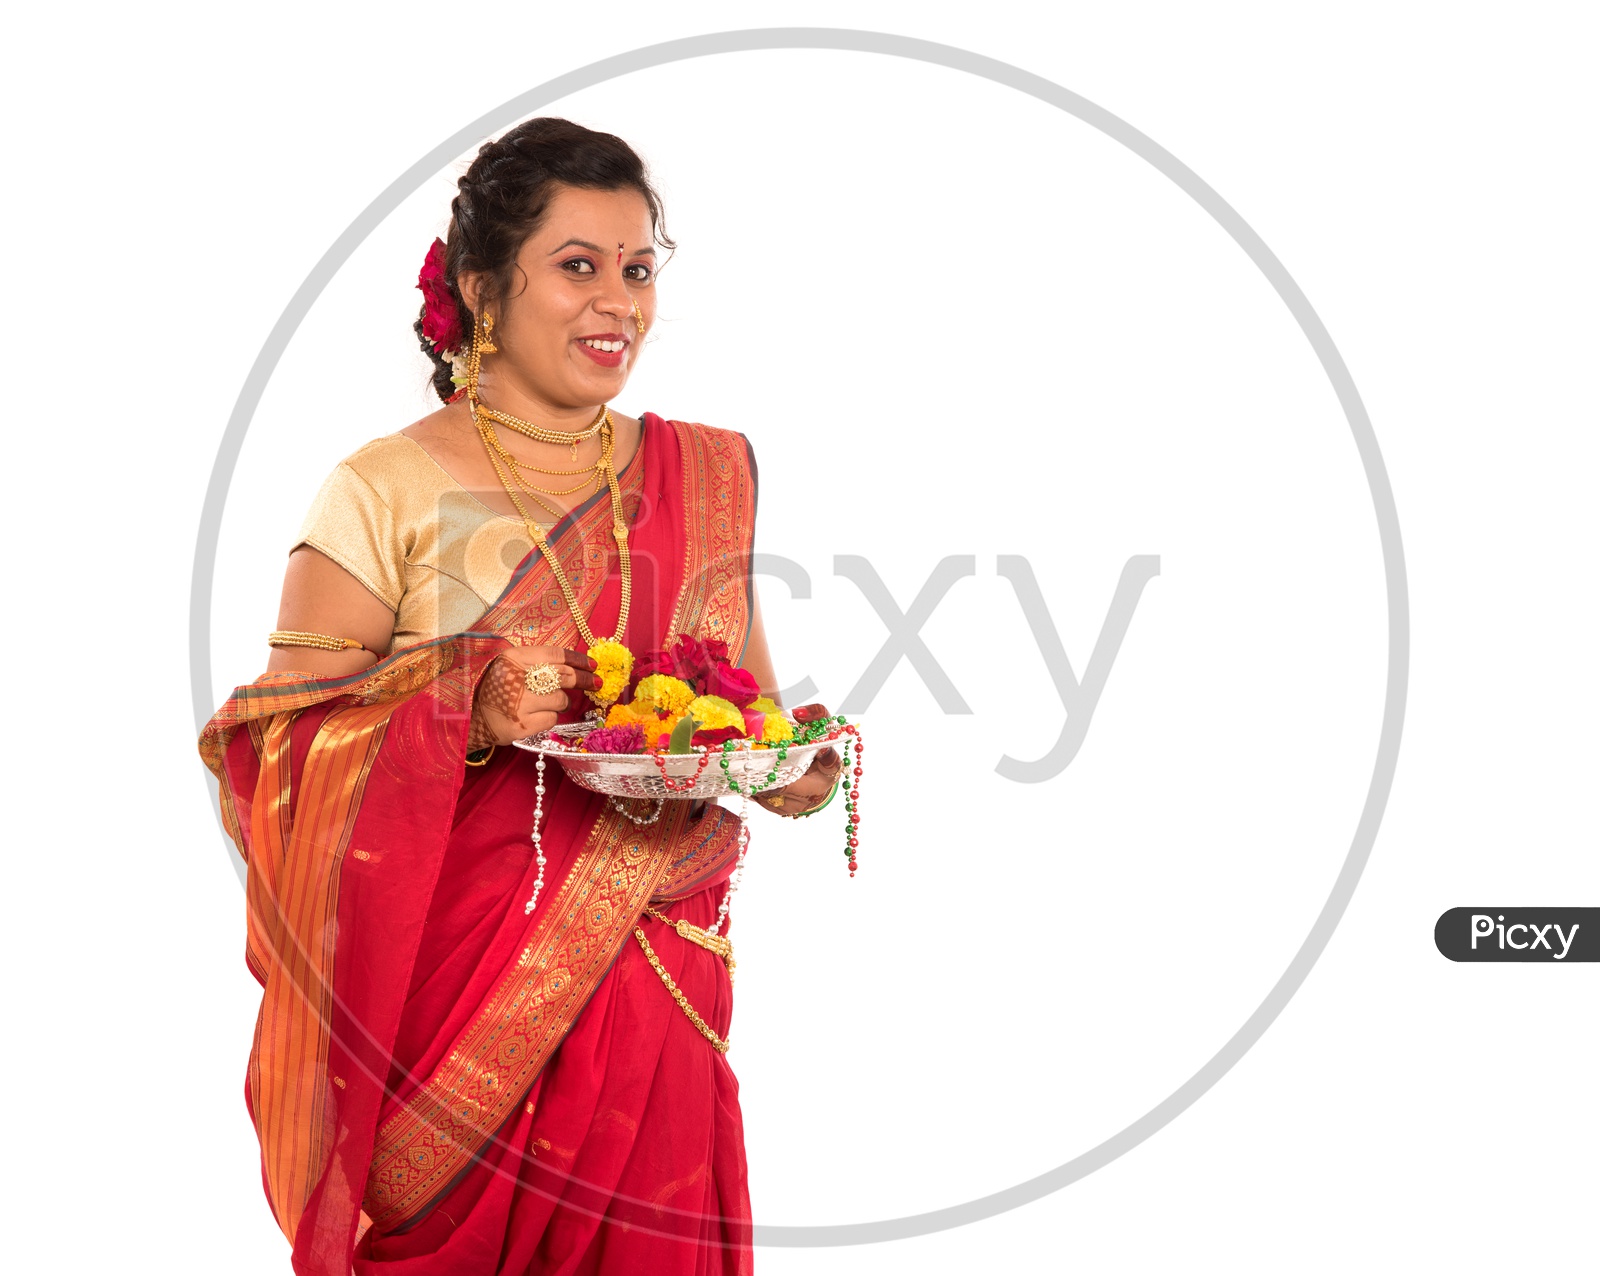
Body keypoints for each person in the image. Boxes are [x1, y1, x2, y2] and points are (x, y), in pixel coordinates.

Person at [198, 116, 845, 1276]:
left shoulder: (700, 476)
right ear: (486, 288)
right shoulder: (385, 486)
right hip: (451, 1017)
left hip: (659, 988)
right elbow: (273, 749)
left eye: (639, 269)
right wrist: (465, 708)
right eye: (578, 266)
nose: (619, 303)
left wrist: (795, 766)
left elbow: (745, 707)